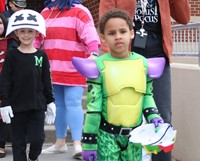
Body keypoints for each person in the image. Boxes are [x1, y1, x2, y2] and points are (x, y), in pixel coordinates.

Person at [99, 1, 190, 161]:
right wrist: (108, 61)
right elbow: (106, 20)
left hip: (158, 59)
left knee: (162, 117)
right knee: (123, 117)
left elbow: (184, 18)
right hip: (125, 59)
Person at [78, 9, 164, 161]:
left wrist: (153, 115)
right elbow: (93, 108)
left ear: (131, 33)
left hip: (135, 136)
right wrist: (89, 142)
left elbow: (146, 95)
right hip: (107, 136)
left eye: (122, 31)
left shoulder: (143, 64)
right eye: (112, 33)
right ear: (103, 38)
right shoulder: (98, 66)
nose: (118, 37)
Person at [34, 0, 100, 159]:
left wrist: (94, 52)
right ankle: (60, 142)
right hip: (51, 68)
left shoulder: (80, 11)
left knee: (73, 103)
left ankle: (78, 144)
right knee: (58, 106)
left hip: (74, 68)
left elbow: (89, 32)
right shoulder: (45, 13)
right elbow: (37, 38)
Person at [0, 9, 56, 161]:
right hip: (16, 107)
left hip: (37, 106)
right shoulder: (11, 55)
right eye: (22, 31)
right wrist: (4, 102)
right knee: (18, 143)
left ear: (36, 33)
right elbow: (5, 80)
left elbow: (46, 79)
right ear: (16, 33)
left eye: (30, 31)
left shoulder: (41, 55)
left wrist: (50, 101)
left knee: (37, 139)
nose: (26, 35)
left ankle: (33, 157)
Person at [0, 13, 12, 159]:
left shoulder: (12, 42)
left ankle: (1, 144)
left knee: (3, 114)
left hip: (6, 82)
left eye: (0, 23)